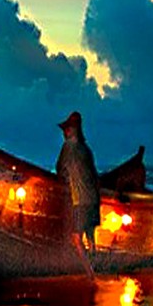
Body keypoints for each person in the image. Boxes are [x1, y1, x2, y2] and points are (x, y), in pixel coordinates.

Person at [56, 110, 100, 257]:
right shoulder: (86, 150)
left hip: (80, 200)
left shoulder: (68, 146)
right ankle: (95, 264)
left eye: (67, 129)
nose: (64, 133)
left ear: (73, 130)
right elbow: (94, 175)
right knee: (91, 239)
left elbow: (60, 169)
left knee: (77, 239)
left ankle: (89, 274)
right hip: (93, 200)